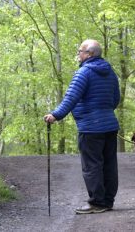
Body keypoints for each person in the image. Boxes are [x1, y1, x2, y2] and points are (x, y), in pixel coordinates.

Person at [44, 39, 120, 214]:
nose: (78, 54)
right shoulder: (110, 72)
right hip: (110, 125)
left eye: (80, 51)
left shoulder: (84, 73)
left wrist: (55, 115)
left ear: (90, 54)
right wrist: (104, 112)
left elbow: (71, 98)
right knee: (109, 165)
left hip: (90, 129)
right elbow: (116, 99)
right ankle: (107, 201)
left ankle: (97, 203)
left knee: (92, 165)